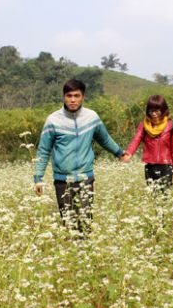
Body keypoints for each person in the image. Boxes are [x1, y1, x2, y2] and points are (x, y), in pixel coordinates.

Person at [34, 79, 128, 233]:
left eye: (77, 96)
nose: (72, 99)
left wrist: (119, 153)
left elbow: (104, 139)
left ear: (83, 97)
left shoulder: (91, 117)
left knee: (85, 223)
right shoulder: (53, 120)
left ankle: (86, 251)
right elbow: (43, 150)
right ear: (64, 97)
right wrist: (38, 178)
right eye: (69, 95)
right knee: (69, 225)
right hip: (62, 181)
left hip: (86, 178)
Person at [123, 95, 173, 191]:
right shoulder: (144, 125)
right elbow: (136, 140)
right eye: (151, 111)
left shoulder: (172, 126)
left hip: (166, 168)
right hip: (150, 167)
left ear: (163, 110)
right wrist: (128, 153)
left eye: (157, 111)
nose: (154, 114)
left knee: (164, 199)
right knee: (153, 197)